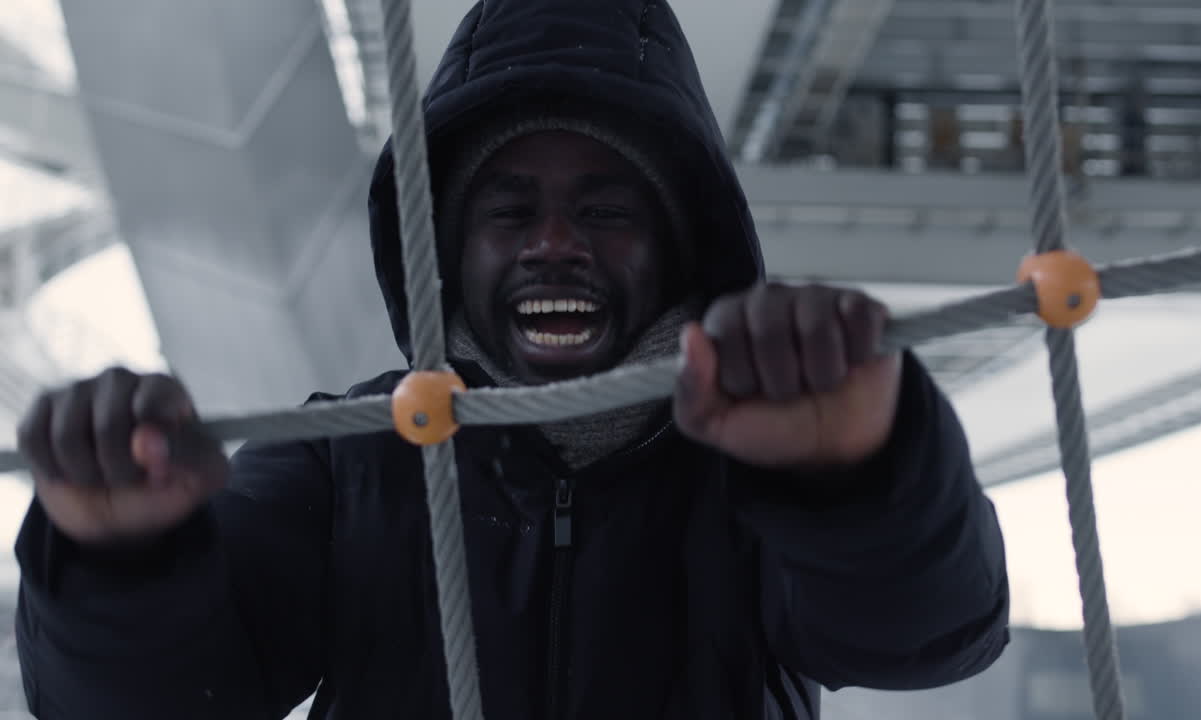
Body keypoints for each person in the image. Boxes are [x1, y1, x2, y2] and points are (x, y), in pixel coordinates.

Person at [12, 1, 1010, 718]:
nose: (553, 243)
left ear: (679, 251)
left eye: (607, 208)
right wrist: (116, 560)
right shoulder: (349, 460)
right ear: (448, 253)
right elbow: (151, 702)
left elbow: (931, 637)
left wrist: (854, 471)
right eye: (508, 208)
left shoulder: (759, 474)